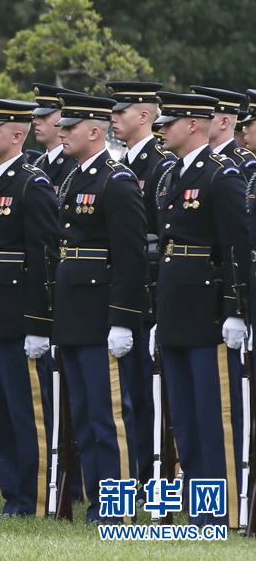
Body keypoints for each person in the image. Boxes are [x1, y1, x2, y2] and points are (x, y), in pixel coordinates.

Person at [153, 91, 247, 528]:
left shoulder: (220, 175)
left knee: (215, 417)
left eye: (167, 123)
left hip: (209, 314)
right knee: (185, 420)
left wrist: (236, 309)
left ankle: (221, 511)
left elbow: (237, 247)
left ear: (193, 125)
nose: (160, 130)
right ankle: (198, 506)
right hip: (175, 310)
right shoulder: (172, 174)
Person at [53, 93, 147, 524]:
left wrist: (123, 319)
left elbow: (130, 257)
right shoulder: (75, 178)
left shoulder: (116, 179)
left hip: (101, 315)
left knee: (109, 418)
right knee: (85, 418)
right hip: (74, 313)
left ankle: (119, 506)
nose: (61, 133)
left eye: (69, 127)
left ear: (94, 131)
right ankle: (98, 503)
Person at [0, 97, 58, 517]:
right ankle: (11, 494)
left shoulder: (31, 183)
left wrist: (39, 322)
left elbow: (44, 256)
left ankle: (34, 497)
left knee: (26, 411)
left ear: (17, 135)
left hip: (19, 314)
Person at [106, 80, 176, 488]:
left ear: (145, 115)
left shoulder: (161, 164)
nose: (114, 118)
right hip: (121, 291)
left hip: (148, 293)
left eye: (122, 112)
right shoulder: (119, 165)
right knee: (125, 391)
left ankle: (151, 475)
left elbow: (161, 238)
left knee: (145, 392)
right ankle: (130, 471)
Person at [190, 86, 256, 179]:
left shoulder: (243, 164)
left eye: (205, 117)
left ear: (224, 123)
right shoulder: (193, 159)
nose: (194, 123)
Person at [31, 84, 81, 196]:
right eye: (36, 116)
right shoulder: (38, 164)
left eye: (44, 116)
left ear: (64, 117)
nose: (35, 121)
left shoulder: (75, 166)